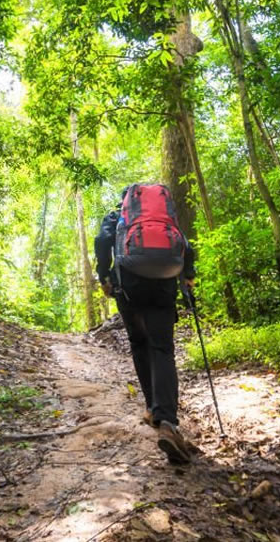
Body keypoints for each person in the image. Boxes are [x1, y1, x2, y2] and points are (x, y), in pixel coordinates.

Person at [94, 184, 196, 464]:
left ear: (125, 199)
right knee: (162, 348)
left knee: (139, 343)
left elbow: (102, 241)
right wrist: (188, 274)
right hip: (164, 281)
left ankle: (153, 408)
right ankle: (168, 423)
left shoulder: (117, 215)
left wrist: (104, 276)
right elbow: (185, 245)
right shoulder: (166, 216)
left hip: (129, 283)